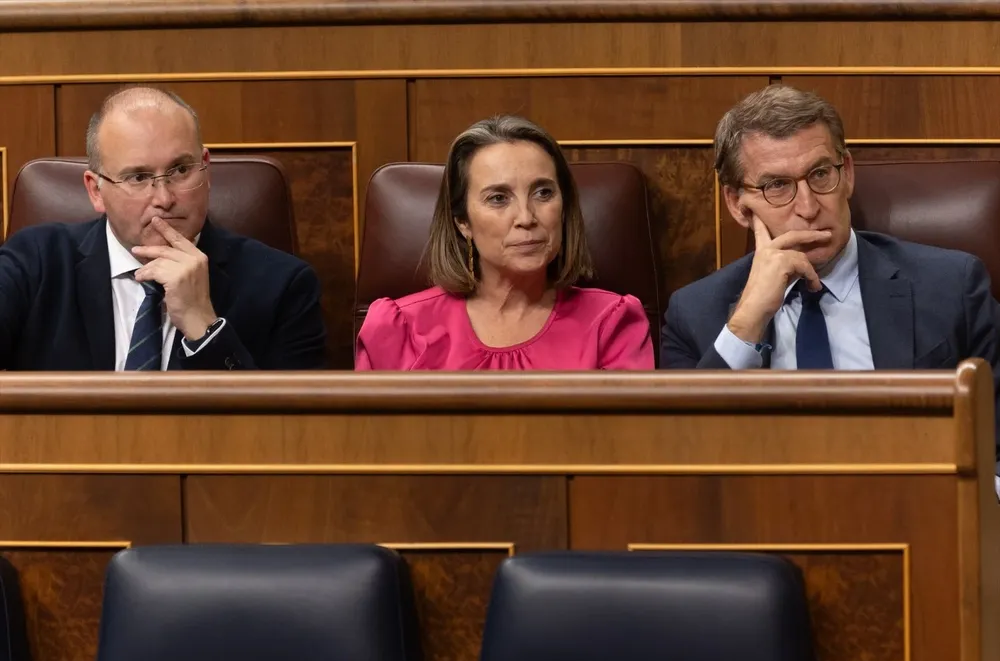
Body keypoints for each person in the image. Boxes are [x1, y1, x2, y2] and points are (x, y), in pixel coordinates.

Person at [660, 84, 1000, 467]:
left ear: (848, 173)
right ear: (738, 205)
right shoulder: (693, 315)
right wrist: (747, 323)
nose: (807, 207)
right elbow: (680, 462)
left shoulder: (951, 286)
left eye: (820, 174)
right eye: (777, 186)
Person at [0, 86, 327, 370]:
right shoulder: (33, 263)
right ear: (96, 191)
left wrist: (205, 327)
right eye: (138, 177)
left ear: (206, 169)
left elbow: (288, 435)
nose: (164, 198)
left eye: (181, 170)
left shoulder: (284, 287)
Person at [355, 114, 653, 370]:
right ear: (463, 222)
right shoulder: (400, 329)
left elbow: (629, 437)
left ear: (565, 208)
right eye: (498, 198)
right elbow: (371, 438)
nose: (526, 217)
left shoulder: (611, 324)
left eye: (544, 193)